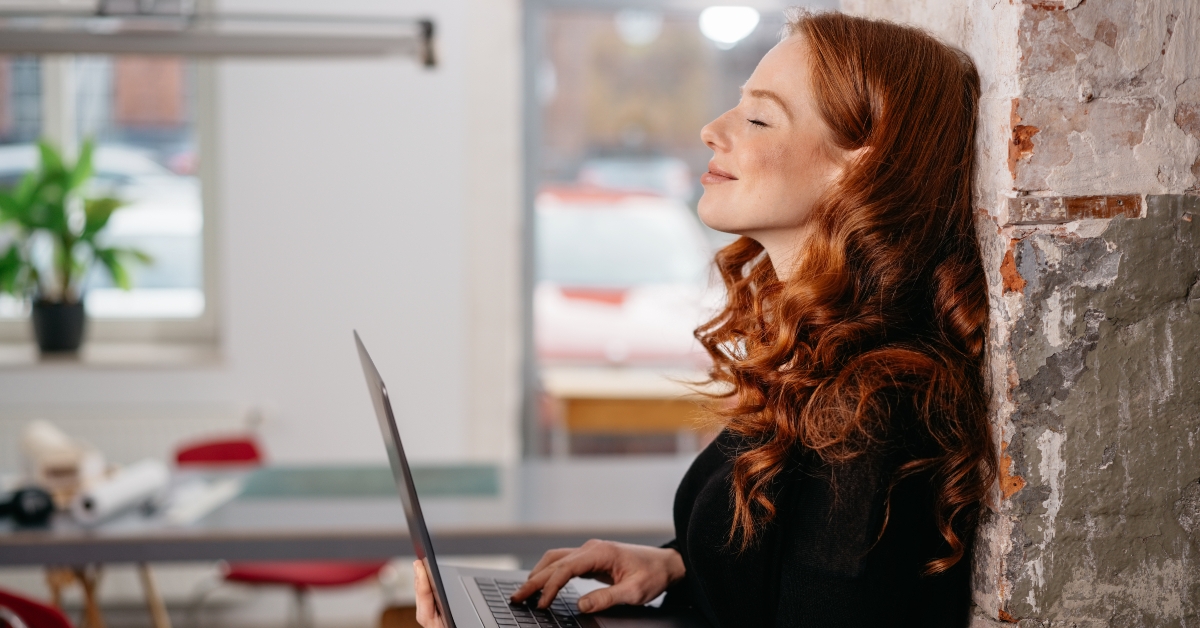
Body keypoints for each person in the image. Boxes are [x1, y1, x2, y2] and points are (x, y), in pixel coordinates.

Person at [415, 9, 996, 627]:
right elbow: (785, 567)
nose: (712, 130)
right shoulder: (817, 355)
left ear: (857, 168)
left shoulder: (871, 410)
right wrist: (676, 564)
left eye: (758, 118)